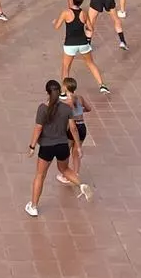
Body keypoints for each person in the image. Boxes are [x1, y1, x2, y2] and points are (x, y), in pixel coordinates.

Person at [25, 79, 93, 217]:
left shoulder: (42, 108)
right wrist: (78, 147)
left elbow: (38, 128)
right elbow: (73, 128)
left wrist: (32, 146)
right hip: (62, 145)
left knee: (40, 175)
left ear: (47, 92)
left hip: (47, 147)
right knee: (65, 169)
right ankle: (81, 185)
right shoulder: (66, 108)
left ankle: (34, 206)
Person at [54, 0, 109, 93]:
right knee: (90, 63)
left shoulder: (66, 12)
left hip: (70, 44)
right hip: (83, 43)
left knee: (66, 67)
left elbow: (57, 27)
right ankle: (102, 85)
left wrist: (55, 21)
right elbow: (90, 28)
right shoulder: (84, 13)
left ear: (72, 0)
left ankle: (64, 91)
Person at [57, 78, 93, 184]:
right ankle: (76, 174)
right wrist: (80, 112)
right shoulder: (80, 98)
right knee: (76, 153)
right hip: (82, 126)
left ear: (65, 87)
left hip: (72, 127)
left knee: (66, 152)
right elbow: (89, 108)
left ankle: (66, 174)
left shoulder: (67, 101)